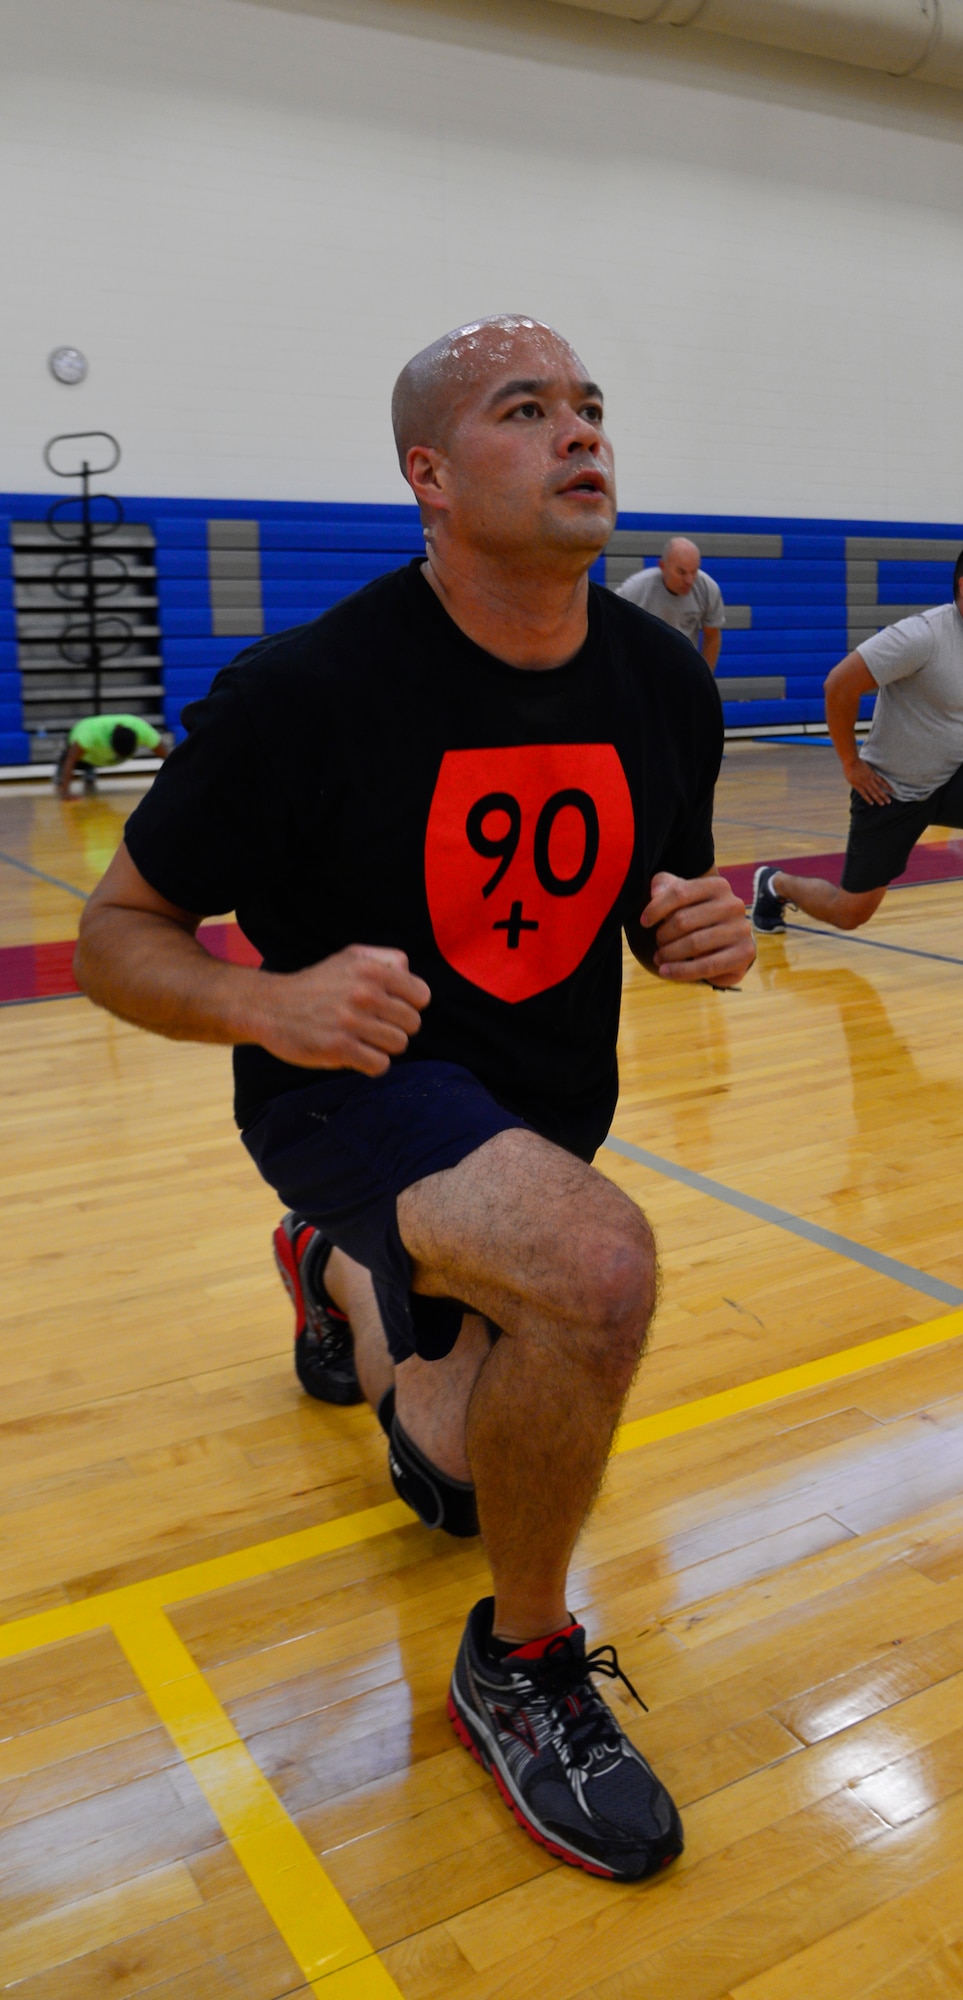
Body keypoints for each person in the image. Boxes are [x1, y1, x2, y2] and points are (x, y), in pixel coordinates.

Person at [73, 314, 755, 1885]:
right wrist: (267, 999)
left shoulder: (663, 681)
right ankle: (520, 1665)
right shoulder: (305, 692)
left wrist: (687, 928)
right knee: (596, 1269)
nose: (582, 433)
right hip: (345, 1096)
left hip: (535, 1104)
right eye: (531, 411)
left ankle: (334, 1273)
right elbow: (115, 937)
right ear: (430, 478)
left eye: (592, 406)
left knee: (454, 1478)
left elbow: (646, 889)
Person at [750, 541, 963, 986]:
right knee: (851, 913)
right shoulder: (921, 636)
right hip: (891, 789)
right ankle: (774, 884)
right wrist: (851, 765)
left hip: (953, 776)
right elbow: (838, 687)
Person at [614, 537, 725, 669]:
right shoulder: (635, 590)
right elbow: (610, 631)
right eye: (681, 572)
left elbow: (712, 636)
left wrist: (706, 679)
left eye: (694, 571)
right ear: (663, 566)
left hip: (683, 669)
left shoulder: (707, 588)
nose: (689, 580)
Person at [56, 714, 167, 798]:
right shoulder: (90, 734)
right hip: (83, 741)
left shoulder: (143, 730)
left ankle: (90, 767)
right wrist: (65, 792)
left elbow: (168, 758)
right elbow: (71, 758)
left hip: (99, 753)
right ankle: (70, 767)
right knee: (71, 759)